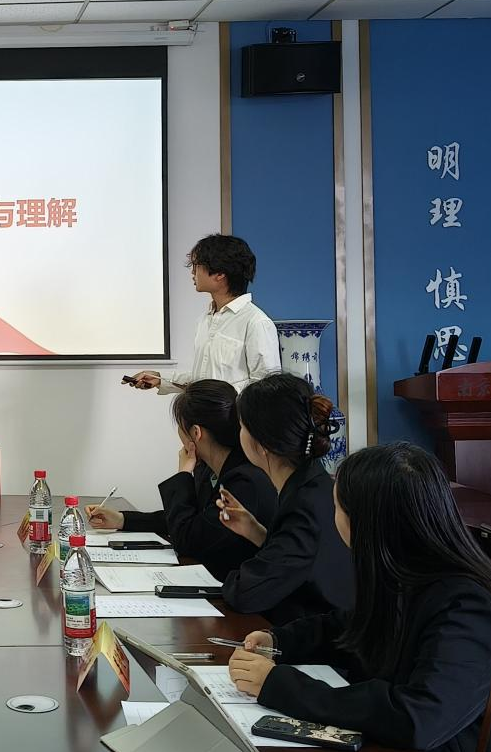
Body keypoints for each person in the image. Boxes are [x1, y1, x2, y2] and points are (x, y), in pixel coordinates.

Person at [228, 443, 491, 752]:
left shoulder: (469, 605)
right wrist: (279, 641)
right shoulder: (406, 572)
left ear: (364, 523)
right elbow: (350, 627)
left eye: (336, 507)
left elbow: (417, 718)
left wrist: (281, 686)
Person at [87, 380, 277, 580]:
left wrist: (184, 473)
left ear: (196, 432)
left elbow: (188, 539)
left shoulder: (245, 481)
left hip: (238, 588)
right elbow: (189, 518)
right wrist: (122, 520)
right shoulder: (210, 469)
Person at [214, 373, 354, 624]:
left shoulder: (303, 506)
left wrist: (233, 578)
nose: (239, 434)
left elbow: (247, 593)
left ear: (264, 444)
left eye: (243, 427)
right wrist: (257, 532)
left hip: (319, 639)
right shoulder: (315, 483)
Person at [128, 234, 280, 394]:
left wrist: (215, 395)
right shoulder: (205, 319)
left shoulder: (256, 322)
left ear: (220, 274)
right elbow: (202, 379)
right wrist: (160, 379)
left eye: (197, 266)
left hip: (232, 411)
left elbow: (266, 388)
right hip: (200, 409)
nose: (193, 272)